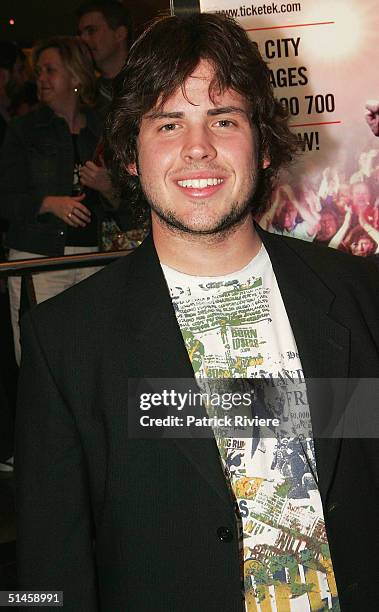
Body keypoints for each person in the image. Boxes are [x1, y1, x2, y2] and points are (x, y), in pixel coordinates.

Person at [16, 14, 379, 612]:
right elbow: (45, 573)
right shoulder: (66, 342)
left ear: (263, 143)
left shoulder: (356, 293)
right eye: (167, 123)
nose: (198, 148)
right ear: (129, 154)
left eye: (224, 118)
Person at [0, 36, 116, 364]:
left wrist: (108, 187)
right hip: (39, 257)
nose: (41, 79)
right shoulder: (25, 129)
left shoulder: (102, 128)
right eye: (39, 72)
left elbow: (130, 199)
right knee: (42, 358)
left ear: (76, 77)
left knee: (94, 356)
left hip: (95, 258)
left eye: (50, 70)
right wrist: (50, 203)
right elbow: (5, 197)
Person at [77, 0, 132, 111]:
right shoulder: (87, 95)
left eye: (91, 31)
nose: (83, 39)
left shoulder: (147, 83)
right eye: (80, 33)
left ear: (119, 34)